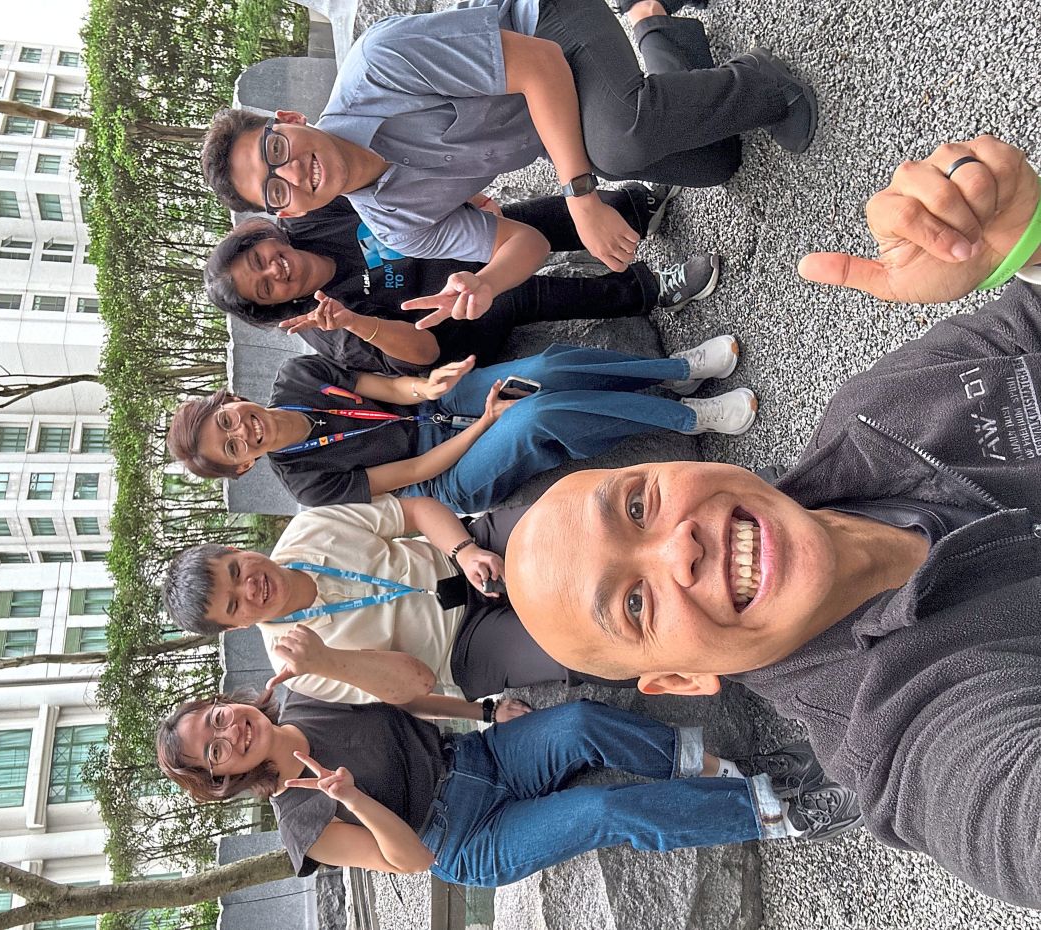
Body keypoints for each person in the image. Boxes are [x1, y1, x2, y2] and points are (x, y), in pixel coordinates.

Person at [501, 135, 1041, 906]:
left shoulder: (878, 411)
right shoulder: (900, 738)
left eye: (637, 506)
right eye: (634, 603)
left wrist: (1027, 238)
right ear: (683, 680)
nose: (678, 549)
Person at [200, 0, 816, 329]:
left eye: (274, 152)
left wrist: (581, 195)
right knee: (717, 161)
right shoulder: (392, 226)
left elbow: (540, 65)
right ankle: (658, 29)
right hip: (560, 122)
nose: (293, 176)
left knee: (618, 147)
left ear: (288, 120)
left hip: (551, 30)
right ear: (288, 213)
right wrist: (486, 283)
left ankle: (766, 82)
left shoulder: (376, 65)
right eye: (275, 193)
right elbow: (522, 240)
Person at [156, 690, 862, 886]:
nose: (230, 733)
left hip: (477, 760)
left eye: (217, 718)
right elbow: (413, 863)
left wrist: (487, 711)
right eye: (213, 750)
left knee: (582, 722)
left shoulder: (299, 702)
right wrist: (353, 799)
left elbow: (402, 688)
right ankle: (777, 815)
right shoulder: (301, 823)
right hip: (465, 840)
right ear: (220, 777)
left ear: (225, 701)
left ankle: (718, 770)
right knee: (600, 808)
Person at [167, 336, 756, 513]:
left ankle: (676, 370)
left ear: (230, 400)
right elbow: (417, 469)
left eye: (228, 420)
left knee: (544, 367)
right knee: (535, 415)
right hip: (442, 476)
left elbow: (382, 389)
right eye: (232, 446)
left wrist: (429, 386)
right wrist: (484, 423)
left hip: (426, 409)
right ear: (243, 464)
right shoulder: (305, 482)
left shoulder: (296, 378)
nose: (243, 430)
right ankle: (688, 418)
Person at [161, 495, 631, 708]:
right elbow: (419, 684)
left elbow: (414, 510)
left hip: (458, 557)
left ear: (237, 551)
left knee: (563, 520)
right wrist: (326, 659)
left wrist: (464, 551)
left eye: (236, 572)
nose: (250, 588)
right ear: (237, 627)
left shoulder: (307, 530)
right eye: (234, 605)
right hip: (462, 647)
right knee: (578, 646)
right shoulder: (301, 668)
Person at [206, 188, 719, 376]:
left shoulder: (310, 219)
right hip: (452, 322)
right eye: (266, 288)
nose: (276, 270)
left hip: (448, 244)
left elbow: (389, 190)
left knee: (507, 227)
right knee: (502, 292)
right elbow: (423, 355)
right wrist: (357, 322)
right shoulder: (327, 330)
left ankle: (630, 211)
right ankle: (652, 290)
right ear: (277, 306)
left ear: (261, 240)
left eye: (261, 261)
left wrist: (460, 198)